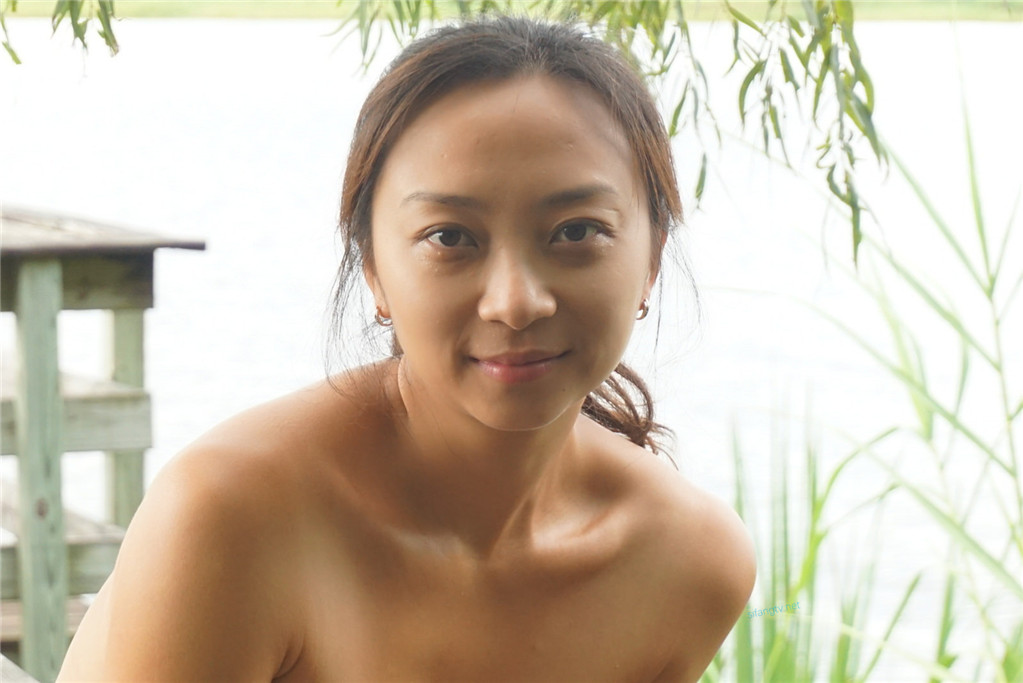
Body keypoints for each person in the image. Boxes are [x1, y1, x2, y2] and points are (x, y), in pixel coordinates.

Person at [59, 15, 755, 682]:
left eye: (576, 232)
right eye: (450, 237)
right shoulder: (231, 519)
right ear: (373, 268)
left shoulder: (688, 564)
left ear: (652, 259)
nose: (515, 302)